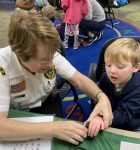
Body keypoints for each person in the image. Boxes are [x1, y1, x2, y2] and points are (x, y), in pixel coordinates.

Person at [0, 12, 113, 144]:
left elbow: (79, 80)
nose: (50, 64)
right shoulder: (3, 64)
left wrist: (101, 97)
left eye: (52, 56)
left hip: (47, 103)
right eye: (43, 61)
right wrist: (51, 128)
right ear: (20, 54)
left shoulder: (47, 54)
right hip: (16, 113)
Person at [86, 38, 140, 136]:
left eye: (120, 66)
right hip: (112, 119)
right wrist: (97, 114)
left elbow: (124, 115)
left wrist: (101, 118)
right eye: (108, 64)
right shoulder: (105, 78)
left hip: (134, 126)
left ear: (135, 67)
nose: (112, 71)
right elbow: (98, 99)